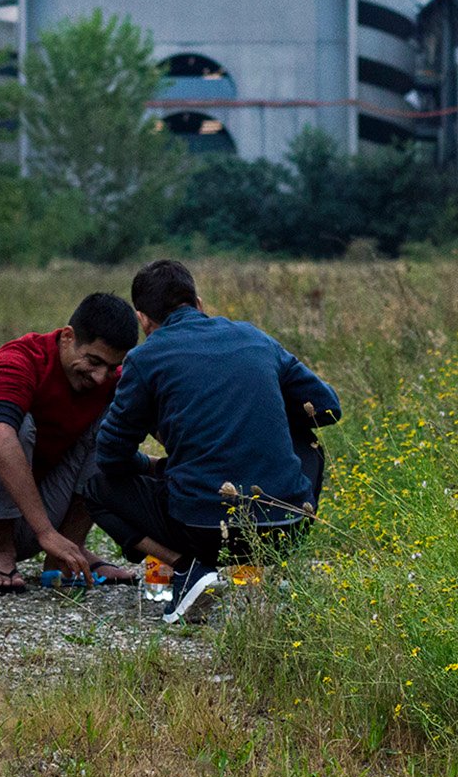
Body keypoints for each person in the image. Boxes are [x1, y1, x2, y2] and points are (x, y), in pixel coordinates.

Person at [82, 259, 340, 623]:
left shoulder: (145, 359)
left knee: (96, 489)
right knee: (308, 437)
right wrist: (262, 416)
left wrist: (153, 465)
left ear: (142, 319)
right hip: (288, 525)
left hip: (203, 532)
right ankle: (257, 570)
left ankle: (189, 569)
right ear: (198, 303)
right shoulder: (256, 338)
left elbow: (110, 457)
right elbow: (327, 408)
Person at [0, 292, 143, 593]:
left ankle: (70, 549)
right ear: (68, 337)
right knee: (10, 425)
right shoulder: (19, 360)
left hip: (28, 504)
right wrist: (45, 531)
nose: (101, 377)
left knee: (113, 422)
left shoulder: (109, 380)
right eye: (94, 361)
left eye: (111, 367)